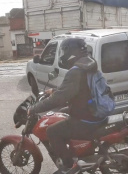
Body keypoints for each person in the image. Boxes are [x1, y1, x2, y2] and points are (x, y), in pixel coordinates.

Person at [28, 38, 105, 174]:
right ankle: (77, 150)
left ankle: (69, 166)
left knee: (52, 131)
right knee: (62, 113)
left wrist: (34, 108)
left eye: (65, 50)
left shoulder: (76, 71)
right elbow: (73, 90)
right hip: (94, 109)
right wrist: (54, 91)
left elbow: (57, 100)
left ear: (71, 51)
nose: (63, 54)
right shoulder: (89, 64)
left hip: (87, 117)